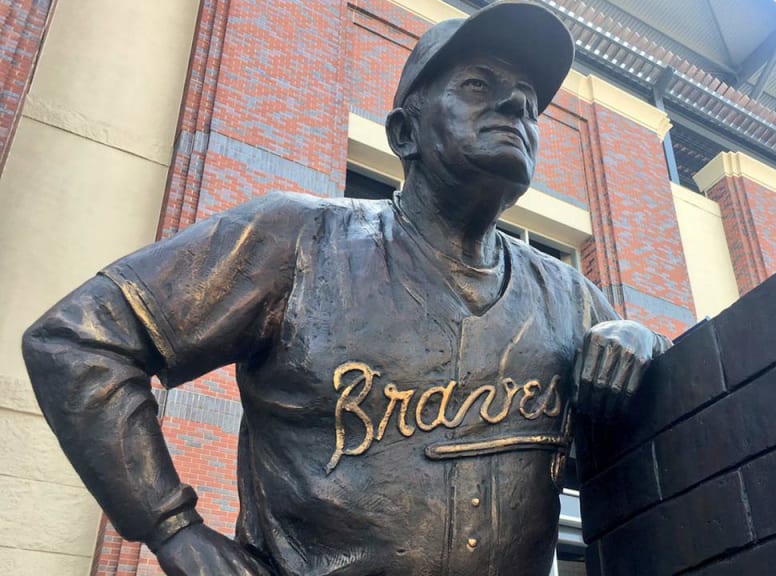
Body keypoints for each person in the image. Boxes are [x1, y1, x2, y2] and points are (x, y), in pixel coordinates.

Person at [22, 2, 668, 574]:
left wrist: (642, 345)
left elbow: (622, 461)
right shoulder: (296, 238)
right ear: (404, 134)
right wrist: (173, 530)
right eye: (478, 85)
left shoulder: (571, 296)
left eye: (528, 99)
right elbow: (76, 341)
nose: (515, 106)